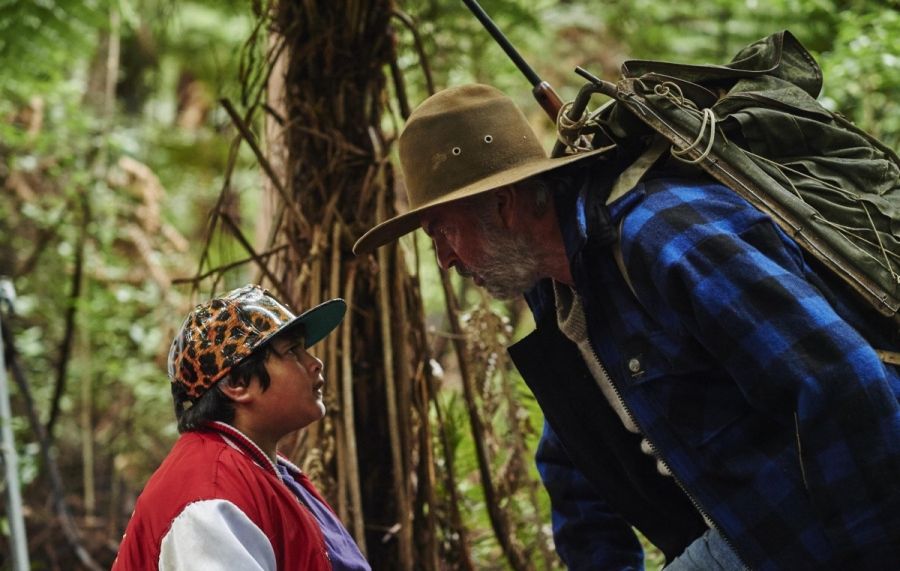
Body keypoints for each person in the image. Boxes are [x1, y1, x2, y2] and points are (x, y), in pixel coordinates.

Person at [353, 83, 900, 569]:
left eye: (441, 232)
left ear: (502, 206)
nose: (446, 260)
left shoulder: (663, 237)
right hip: (750, 533)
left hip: (833, 530)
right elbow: (575, 463)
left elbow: (841, 380)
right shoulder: (557, 288)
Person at [113, 284, 370, 571]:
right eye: (292, 352)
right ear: (236, 384)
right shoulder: (208, 502)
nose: (315, 364)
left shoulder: (264, 470)